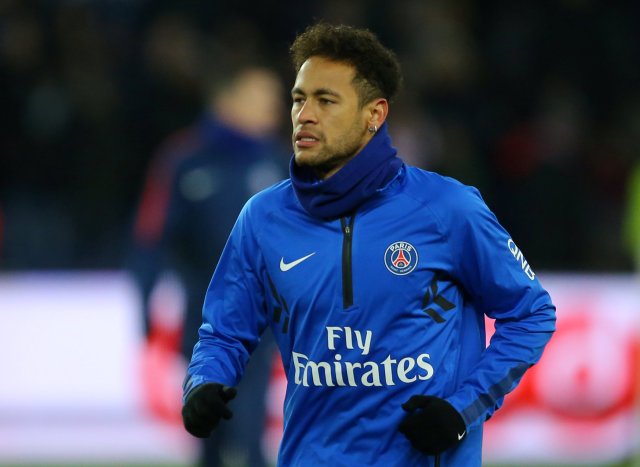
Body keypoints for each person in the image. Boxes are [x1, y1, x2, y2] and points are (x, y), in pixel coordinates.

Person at [181, 23, 556, 467]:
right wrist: (204, 382)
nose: (305, 114)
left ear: (374, 115)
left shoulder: (446, 209)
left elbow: (531, 314)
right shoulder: (263, 218)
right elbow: (225, 331)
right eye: (300, 99)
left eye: (326, 100)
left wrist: (463, 409)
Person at [130, 63, 286, 466]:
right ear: (227, 101)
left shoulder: (280, 160)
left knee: (249, 434)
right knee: (210, 435)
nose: (272, 110)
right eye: (260, 99)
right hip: (204, 320)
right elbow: (151, 238)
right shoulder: (184, 160)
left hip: (262, 320)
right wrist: (145, 307)